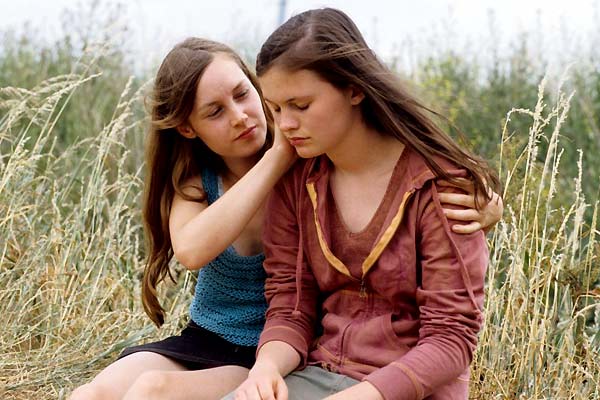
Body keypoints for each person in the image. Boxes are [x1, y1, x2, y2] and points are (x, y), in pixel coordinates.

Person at [69, 34, 500, 400]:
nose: (241, 117)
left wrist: (488, 202)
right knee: (93, 393)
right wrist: (276, 159)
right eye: (215, 112)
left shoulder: (311, 150)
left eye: (243, 95)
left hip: (277, 348)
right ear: (187, 128)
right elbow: (192, 250)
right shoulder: (213, 178)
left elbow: (387, 156)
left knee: (152, 391)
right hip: (219, 338)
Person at [226, 8, 500, 400]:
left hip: (410, 389)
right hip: (317, 376)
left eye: (300, 105)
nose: (284, 125)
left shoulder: (440, 187)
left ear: (355, 89)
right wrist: (265, 369)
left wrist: (364, 394)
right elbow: (290, 307)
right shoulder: (296, 182)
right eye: (275, 108)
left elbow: (450, 339)